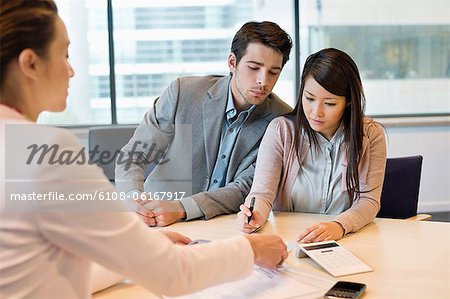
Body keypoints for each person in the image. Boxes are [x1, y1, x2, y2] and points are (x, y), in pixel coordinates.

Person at [0, 1, 288, 298]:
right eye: (64, 54)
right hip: (176, 246)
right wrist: (249, 250)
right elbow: (172, 274)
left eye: (273, 72)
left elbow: (51, 272)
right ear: (31, 64)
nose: (72, 70)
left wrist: (136, 253)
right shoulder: (48, 151)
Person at [115, 21, 293, 227]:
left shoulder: (282, 120)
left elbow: (245, 187)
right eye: (254, 68)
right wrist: (133, 198)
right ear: (232, 63)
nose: (263, 81)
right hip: (155, 220)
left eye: (273, 72)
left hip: (224, 226)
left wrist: (181, 208)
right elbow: (135, 154)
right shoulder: (184, 93)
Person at [237, 48, 387, 242]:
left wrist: (339, 226)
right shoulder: (281, 131)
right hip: (290, 238)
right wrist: (254, 214)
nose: (316, 112)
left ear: (348, 101)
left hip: (346, 238)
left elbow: (369, 201)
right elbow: (262, 193)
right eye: (309, 99)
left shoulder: (370, 134)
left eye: (330, 103)